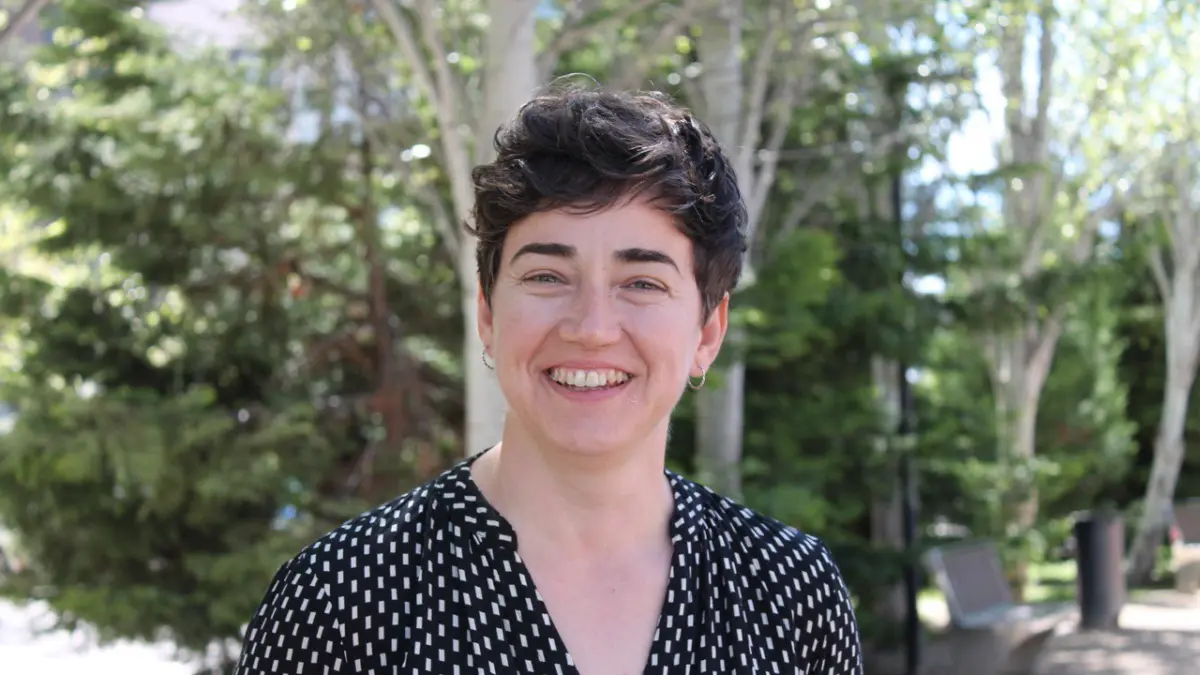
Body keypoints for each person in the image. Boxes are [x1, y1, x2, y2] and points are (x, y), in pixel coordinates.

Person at [235, 86, 864, 675]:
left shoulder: (791, 593)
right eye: (546, 277)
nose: (592, 328)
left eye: (642, 283)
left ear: (707, 332)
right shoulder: (339, 600)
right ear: (487, 313)